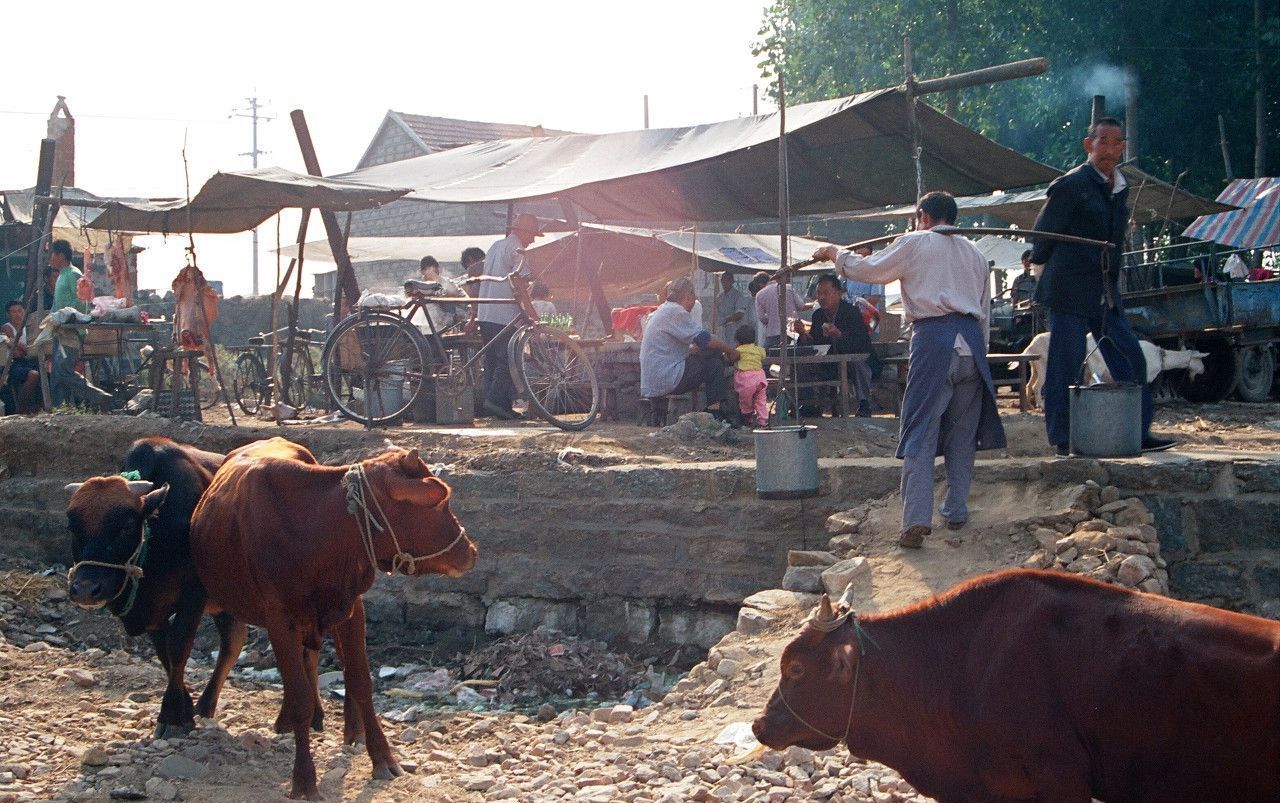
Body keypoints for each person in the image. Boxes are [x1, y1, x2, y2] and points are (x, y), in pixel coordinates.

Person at [813, 191, 1006, 549]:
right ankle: (955, 510)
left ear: (923, 216)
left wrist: (833, 253)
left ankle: (916, 518)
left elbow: (868, 270)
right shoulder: (977, 254)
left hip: (934, 342)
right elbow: (984, 311)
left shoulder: (916, 241)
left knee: (920, 428)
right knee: (962, 436)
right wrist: (981, 356)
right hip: (972, 348)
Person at [1030, 117, 1173, 456]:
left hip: (1104, 288)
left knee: (1131, 359)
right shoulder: (1071, 185)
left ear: (1122, 148)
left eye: (1116, 143)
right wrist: (1041, 267)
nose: (1110, 149)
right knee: (1067, 363)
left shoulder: (1120, 187)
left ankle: (1136, 432)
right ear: (1088, 145)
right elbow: (1043, 234)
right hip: (1068, 287)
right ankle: (1063, 438)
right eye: (1103, 142)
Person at [639, 277, 739, 420]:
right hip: (666, 378)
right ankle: (714, 412)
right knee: (714, 360)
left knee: (710, 353)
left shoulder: (664, 310)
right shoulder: (676, 312)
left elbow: (684, 346)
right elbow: (705, 339)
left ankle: (714, 408)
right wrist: (732, 351)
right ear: (689, 296)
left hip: (656, 378)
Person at [476, 215, 541, 419]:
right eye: (531, 235)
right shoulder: (517, 250)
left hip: (485, 311)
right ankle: (495, 401)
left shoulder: (496, 245)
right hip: (503, 313)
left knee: (492, 360)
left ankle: (496, 405)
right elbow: (520, 283)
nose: (532, 240)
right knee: (507, 360)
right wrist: (531, 312)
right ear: (523, 232)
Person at [47, 239, 116, 411]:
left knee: (63, 371)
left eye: (52, 255)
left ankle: (100, 398)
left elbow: (80, 303)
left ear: (60, 255)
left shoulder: (73, 274)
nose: (50, 259)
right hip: (60, 331)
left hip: (71, 331)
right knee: (57, 374)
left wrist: (65, 317)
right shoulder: (62, 274)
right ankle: (60, 409)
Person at [796, 273, 874, 417]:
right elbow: (814, 342)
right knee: (802, 363)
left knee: (858, 363)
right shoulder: (818, 315)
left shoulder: (851, 312)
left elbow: (861, 342)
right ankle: (808, 403)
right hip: (828, 363)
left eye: (826, 293)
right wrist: (802, 334)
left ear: (838, 293)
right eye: (819, 293)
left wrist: (839, 334)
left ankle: (864, 403)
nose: (821, 297)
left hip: (852, 361)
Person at [2, 300, 40, 414]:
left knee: (48, 374)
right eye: (13, 312)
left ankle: (40, 408)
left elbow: (24, 348)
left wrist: (20, 346)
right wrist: (27, 348)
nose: (17, 314)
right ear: (8, 315)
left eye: (20, 311)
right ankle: (21, 410)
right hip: (13, 364)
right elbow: (17, 353)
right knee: (33, 375)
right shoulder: (6, 328)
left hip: (31, 360)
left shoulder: (29, 327)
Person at [731, 323, 768, 428]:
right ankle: (763, 421)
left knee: (745, 400)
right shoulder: (759, 349)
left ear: (737, 340)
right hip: (760, 376)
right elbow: (763, 355)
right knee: (761, 400)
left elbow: (730, 357)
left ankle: (747, 418)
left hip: (746, 378)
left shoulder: (738, 350)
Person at [754, 276, 807, 348]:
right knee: (794, 356)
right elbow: (801, 306)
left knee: (771, 357)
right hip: (791, 333)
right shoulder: (788, 288)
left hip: (772, 335)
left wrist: (772, 318)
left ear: (760, 284)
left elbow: (762, 318)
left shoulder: (759, 294)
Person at [416, 255, 461, 331]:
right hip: (430, 323)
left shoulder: (445, 281)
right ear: (422, 272)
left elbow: (456, 293)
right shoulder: (421, 287)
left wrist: (439, 280)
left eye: (435, 271)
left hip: (448, 320)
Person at [842, 244, 886, 314]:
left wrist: (855, 308)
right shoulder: (848, 271)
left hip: (867, 317)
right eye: (859, 255)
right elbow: (840, 291)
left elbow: (874, 298)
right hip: (849, 316)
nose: (862, 258)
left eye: (865, 255)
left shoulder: (875, 272)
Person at [716, 271, 752, 343]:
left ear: (732, 282)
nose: (725, 283)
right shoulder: (720, 297)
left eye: (728, 280)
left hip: (734, 331)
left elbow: (740, 314)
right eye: (723, 280)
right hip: (722, 331)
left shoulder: (738, 296)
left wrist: (725, 319)